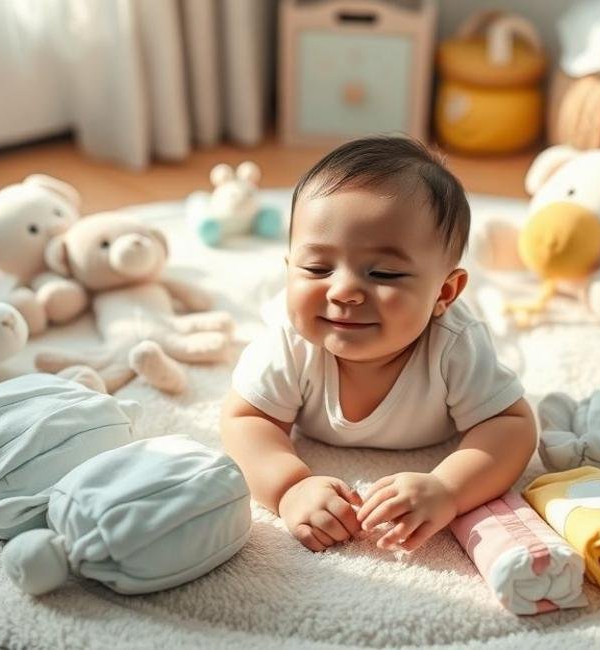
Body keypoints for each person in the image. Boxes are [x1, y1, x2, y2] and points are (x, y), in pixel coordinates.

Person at [221, 136, 536, 553]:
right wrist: (289, 489)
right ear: (290, 269)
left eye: (384, 273)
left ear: (445, 292)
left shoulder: (455, 344)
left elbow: (512, 426)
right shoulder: (290, 339)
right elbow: (245, 420)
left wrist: (448, 488)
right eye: (317, 268)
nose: (344, 291)